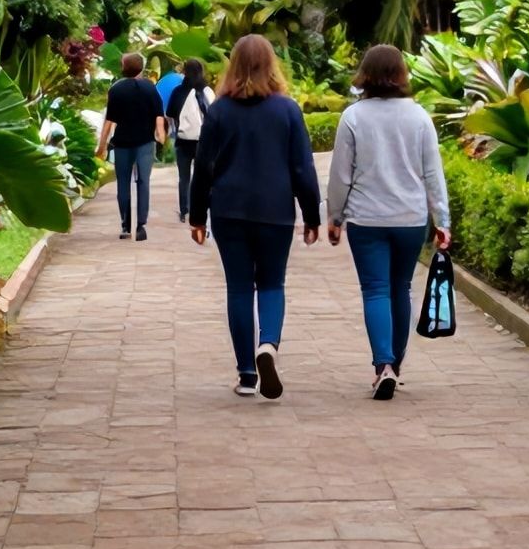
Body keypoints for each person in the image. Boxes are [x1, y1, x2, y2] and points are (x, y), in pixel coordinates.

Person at [188, 35, 320, 399]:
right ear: (271, 63)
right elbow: (302, 168)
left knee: (240, 287)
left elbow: (204, 168)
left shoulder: (219, 111)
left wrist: (197, 216)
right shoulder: (288, 110)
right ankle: (269, 346)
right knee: (273, 283)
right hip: (276, 209)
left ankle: (247, 373)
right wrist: (312, 215)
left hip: (229, 210)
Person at [325, 44, 451, 401]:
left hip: (366, 218)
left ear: (364, 75)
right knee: (401, 288)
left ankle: (383, 366)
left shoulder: (353, 117)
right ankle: (396, 363)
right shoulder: (419, 117)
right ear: (400, 75)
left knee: (376, 289)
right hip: (410, 218)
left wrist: (334, 215)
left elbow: (341, 175)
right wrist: (442, 219)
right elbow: (432, 174)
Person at [96, 51, 166, 241]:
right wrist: (161, 136)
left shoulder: (116, 89)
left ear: (124, 67)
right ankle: (141, 226)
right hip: (145, 143)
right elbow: (159, 116)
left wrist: (101, 146)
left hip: (122, 143)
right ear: (141, 68)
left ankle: (125, 225)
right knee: (144, 182)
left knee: (123, 183)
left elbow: (109, 122)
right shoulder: (150, 88)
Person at [165, 58, 216, 223]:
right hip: (204, 142)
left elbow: (170, 113)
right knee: (204, 176)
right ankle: (203, 208)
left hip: (183, 141)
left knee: (184, 178)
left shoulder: (178, 91)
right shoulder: (207, 91)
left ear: (185, 72)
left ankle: (184, 211)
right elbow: (215, 115)